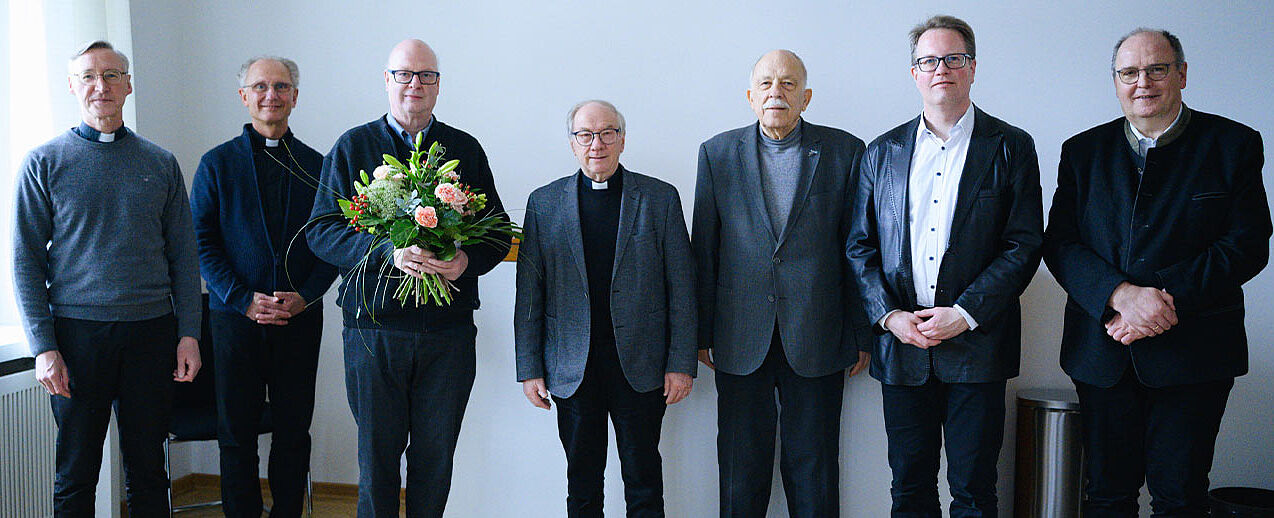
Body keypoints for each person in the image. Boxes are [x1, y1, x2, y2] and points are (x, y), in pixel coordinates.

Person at [1042, 28, 1270, 516]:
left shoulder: (1234, 144)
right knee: (1106, 496)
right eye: (1129, 72)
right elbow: (1060, 244)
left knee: (1180, 498)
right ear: (1117, 81)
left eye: (1156, 69)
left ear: (1182, 74)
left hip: (1195, 354)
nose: (1142, 82)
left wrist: (1160, 299)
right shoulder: (1082, 152)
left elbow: (1246, 246)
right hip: (1103, 352)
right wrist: (1121, 295)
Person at [845, 15, 1043, 516]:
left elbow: (1023, 245)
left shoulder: (1011, 146)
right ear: (915, 73)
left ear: (972, 68)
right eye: (929, 60)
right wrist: (889, 317)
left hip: (978, 345)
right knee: (908, 487)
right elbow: (859, 246)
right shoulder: (881, 151)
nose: (942, 69)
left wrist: (965, 313)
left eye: (954, 59)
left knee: (975, 491)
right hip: (902, 347)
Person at [306, 38, 511, 517]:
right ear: (387, 80)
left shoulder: (464, 149)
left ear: (439, 85)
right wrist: (386, 251)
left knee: (435, 460)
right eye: (405, 74)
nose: (415, 84)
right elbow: (321, 233)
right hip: (373, 329)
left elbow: (498, 233)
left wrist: (465, 262)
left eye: (427, 76)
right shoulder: (353, 146)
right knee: (377, 460)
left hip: (448, 332)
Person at [12, 40, 202, 516]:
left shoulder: (160, 163)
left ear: (128, 84)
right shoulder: (43, 163)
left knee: (148, 471)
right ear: (73, 86)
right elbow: (25, 261)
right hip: (77, 337)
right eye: (90, 76)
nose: (102, 86)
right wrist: (43, 346)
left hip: (151, 332)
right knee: (76, 472)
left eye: (113, 75)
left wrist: (189, 335)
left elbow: (184, 256)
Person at [691, 49, 871, 517]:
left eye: (789, 84)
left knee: (814, 471)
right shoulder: (715, 153)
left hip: (819, 332)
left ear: (806, 97)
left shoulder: (846, 151)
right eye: (767, 83)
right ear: (750, 96)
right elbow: (705, 249)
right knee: (739, 471)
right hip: (738, 335)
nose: (777, 91)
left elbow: (857, 249)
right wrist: (702, 333)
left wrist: (860, 332)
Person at [515, 100, 697, 517]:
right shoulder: (544, 204)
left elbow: (682, 289)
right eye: (586, 135)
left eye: (606, 133)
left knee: (644, 480)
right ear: (573, 143)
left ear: (622, 139)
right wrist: (530, 368)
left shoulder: (659, 198)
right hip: (571, 367)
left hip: (642, 365)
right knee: (581, 482)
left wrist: (681, 362)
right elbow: (530, 294)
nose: (596, 144)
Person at [189, 55, 336, 518]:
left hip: (299, 320)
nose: (270, 95)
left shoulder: (319, 165)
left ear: (295, 96)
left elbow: (334, 242)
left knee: (294, 432)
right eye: (260, 87)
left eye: (281, 86)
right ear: (244, 97)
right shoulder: (216, 165)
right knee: (237, 436)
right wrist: (242, 299)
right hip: (235, 322)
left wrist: (307, 296)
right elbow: (202, 243)